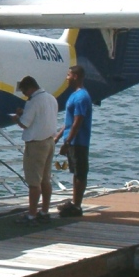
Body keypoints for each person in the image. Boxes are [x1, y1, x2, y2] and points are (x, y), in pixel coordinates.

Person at [11, 75, 59, 224]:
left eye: (24, 91)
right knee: (46, 179)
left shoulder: (32, 102)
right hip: (50, 141)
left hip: (36, 144)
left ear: (30, 88)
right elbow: (42, 119)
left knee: (34, 182)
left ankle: (32, 215)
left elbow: (25, 124)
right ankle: (44, 211)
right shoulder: (51, 98)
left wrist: (17, 118)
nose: (24, 94)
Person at [57, 64, 92, 217]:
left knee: (80, 173)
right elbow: (69, 121)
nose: (66, 78)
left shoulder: (82, 97)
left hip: (79, 141)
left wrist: (67, 142)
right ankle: (74, 202)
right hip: (72, 140)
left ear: (75, 77)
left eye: (68, 75)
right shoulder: (73, 95)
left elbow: (78, 121)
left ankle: (77, 206)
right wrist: (58, 136)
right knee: (75, 172)